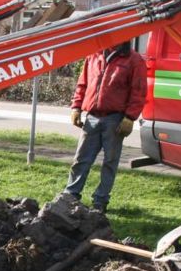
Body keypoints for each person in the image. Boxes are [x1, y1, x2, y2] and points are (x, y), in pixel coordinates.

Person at [62, 40, 147, 214]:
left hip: (115, 120)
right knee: (81, 159)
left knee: (110, 162)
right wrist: (76, 107)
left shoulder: (134, 60)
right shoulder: (94, 55)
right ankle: (71, 195)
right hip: (92, 117)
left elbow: (138, 90)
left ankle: (100, 201)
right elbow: (83, 83)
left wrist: (130, 117)